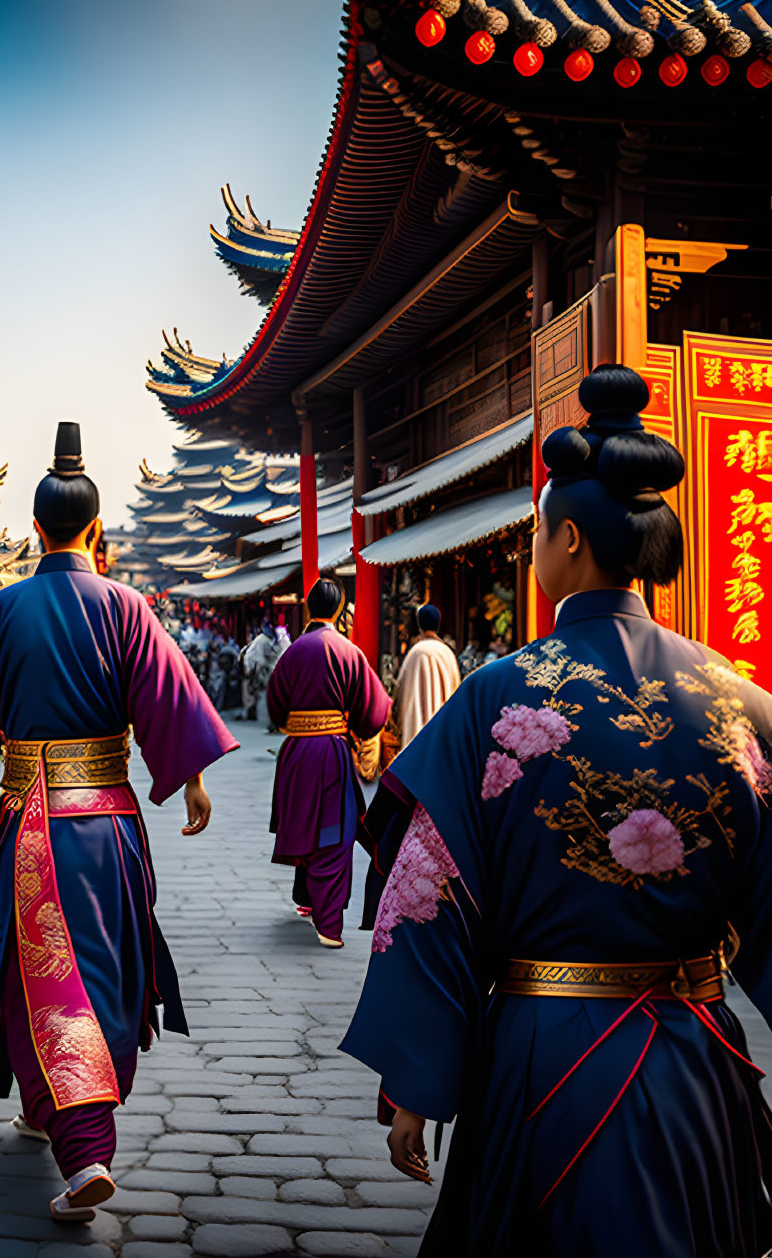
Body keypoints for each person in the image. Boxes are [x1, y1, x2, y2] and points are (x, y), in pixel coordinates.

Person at [342, 364, 772, 1256]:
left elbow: (427, 897)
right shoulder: (741, 705)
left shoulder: (498, 700)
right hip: (698, 1061)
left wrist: (417, 1081)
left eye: (534, 534)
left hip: (541, 1064)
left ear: (566, 538)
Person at [0, 423, 238, 1221]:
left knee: (43, 975)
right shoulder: (128, 607)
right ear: (95, 530)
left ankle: (84, 1145)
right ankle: (55, 1111)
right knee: (100, 973)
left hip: (29, 822)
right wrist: (191, 779)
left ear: (35, 529)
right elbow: (167, 703)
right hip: (108, 824)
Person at [266, 579, 390, 948]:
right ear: (340, 609)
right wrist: (353, 725)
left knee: (303, 823)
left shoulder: (293, 651)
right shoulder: (348, 651)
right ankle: (329, 924)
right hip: (332, 751)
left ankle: (306, 898)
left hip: (295, 752)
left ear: (308, 607)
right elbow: (376, 709)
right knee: (334, 832)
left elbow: (275, 704)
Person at [392, 604, 461, 749]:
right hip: (442, 733)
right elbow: (457, 693)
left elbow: (400, 692)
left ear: (420, 625)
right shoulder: (447, 654)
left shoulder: (414, 653)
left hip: (414, 733)